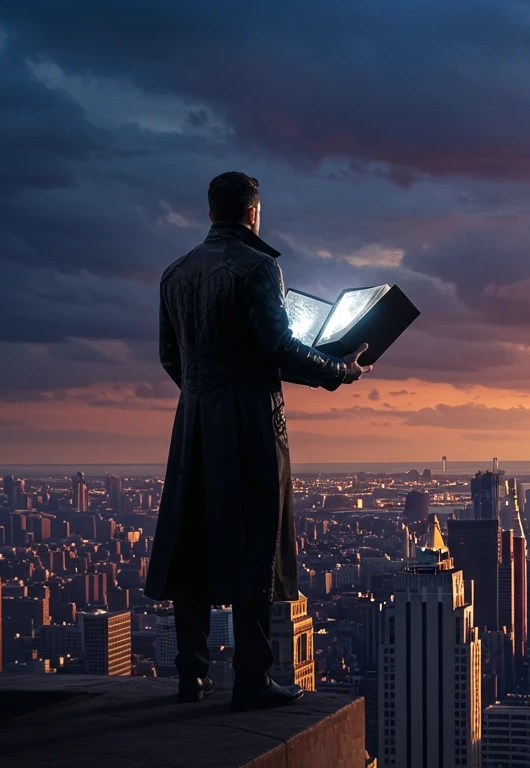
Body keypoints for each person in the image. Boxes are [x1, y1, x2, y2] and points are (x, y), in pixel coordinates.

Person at [144, 172, 371, 709]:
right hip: (248, 425)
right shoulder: (259, 267)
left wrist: (204, 392)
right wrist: (338, 369)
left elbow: (168, 356)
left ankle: (191, 676)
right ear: (252, 214)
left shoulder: (174, 273)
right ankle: (252, 678)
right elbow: (280, 348)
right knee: (255, 542)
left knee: (191, 546)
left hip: (194, 421)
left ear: (209, 214)